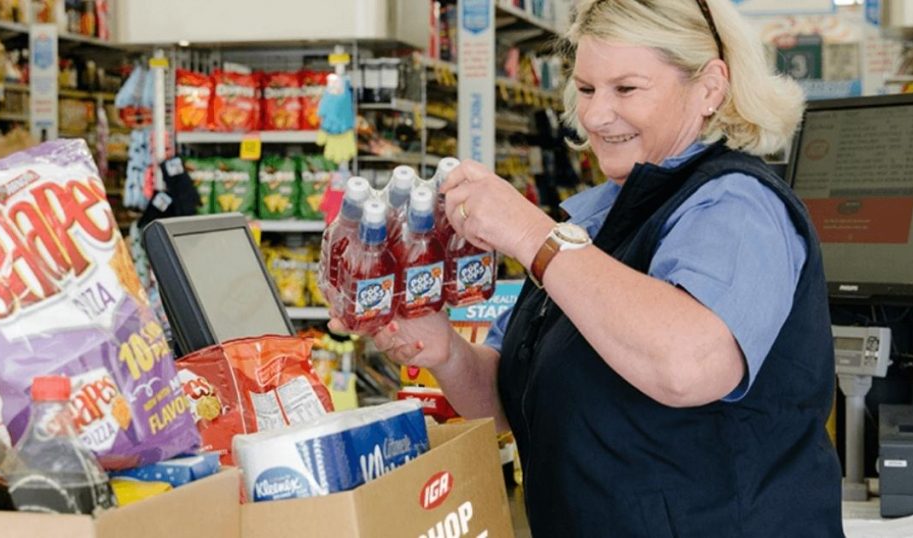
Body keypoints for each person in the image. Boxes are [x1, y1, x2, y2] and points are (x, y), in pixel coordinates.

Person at [330, 0, 841, 535]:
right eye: (588, 88)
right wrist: (445, 351)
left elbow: (688, 365)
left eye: (627, 89)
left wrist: (530, 233)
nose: (596, 115)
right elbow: (510, 404)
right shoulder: (595, 221)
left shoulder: (738, 207)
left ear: (710, 87)